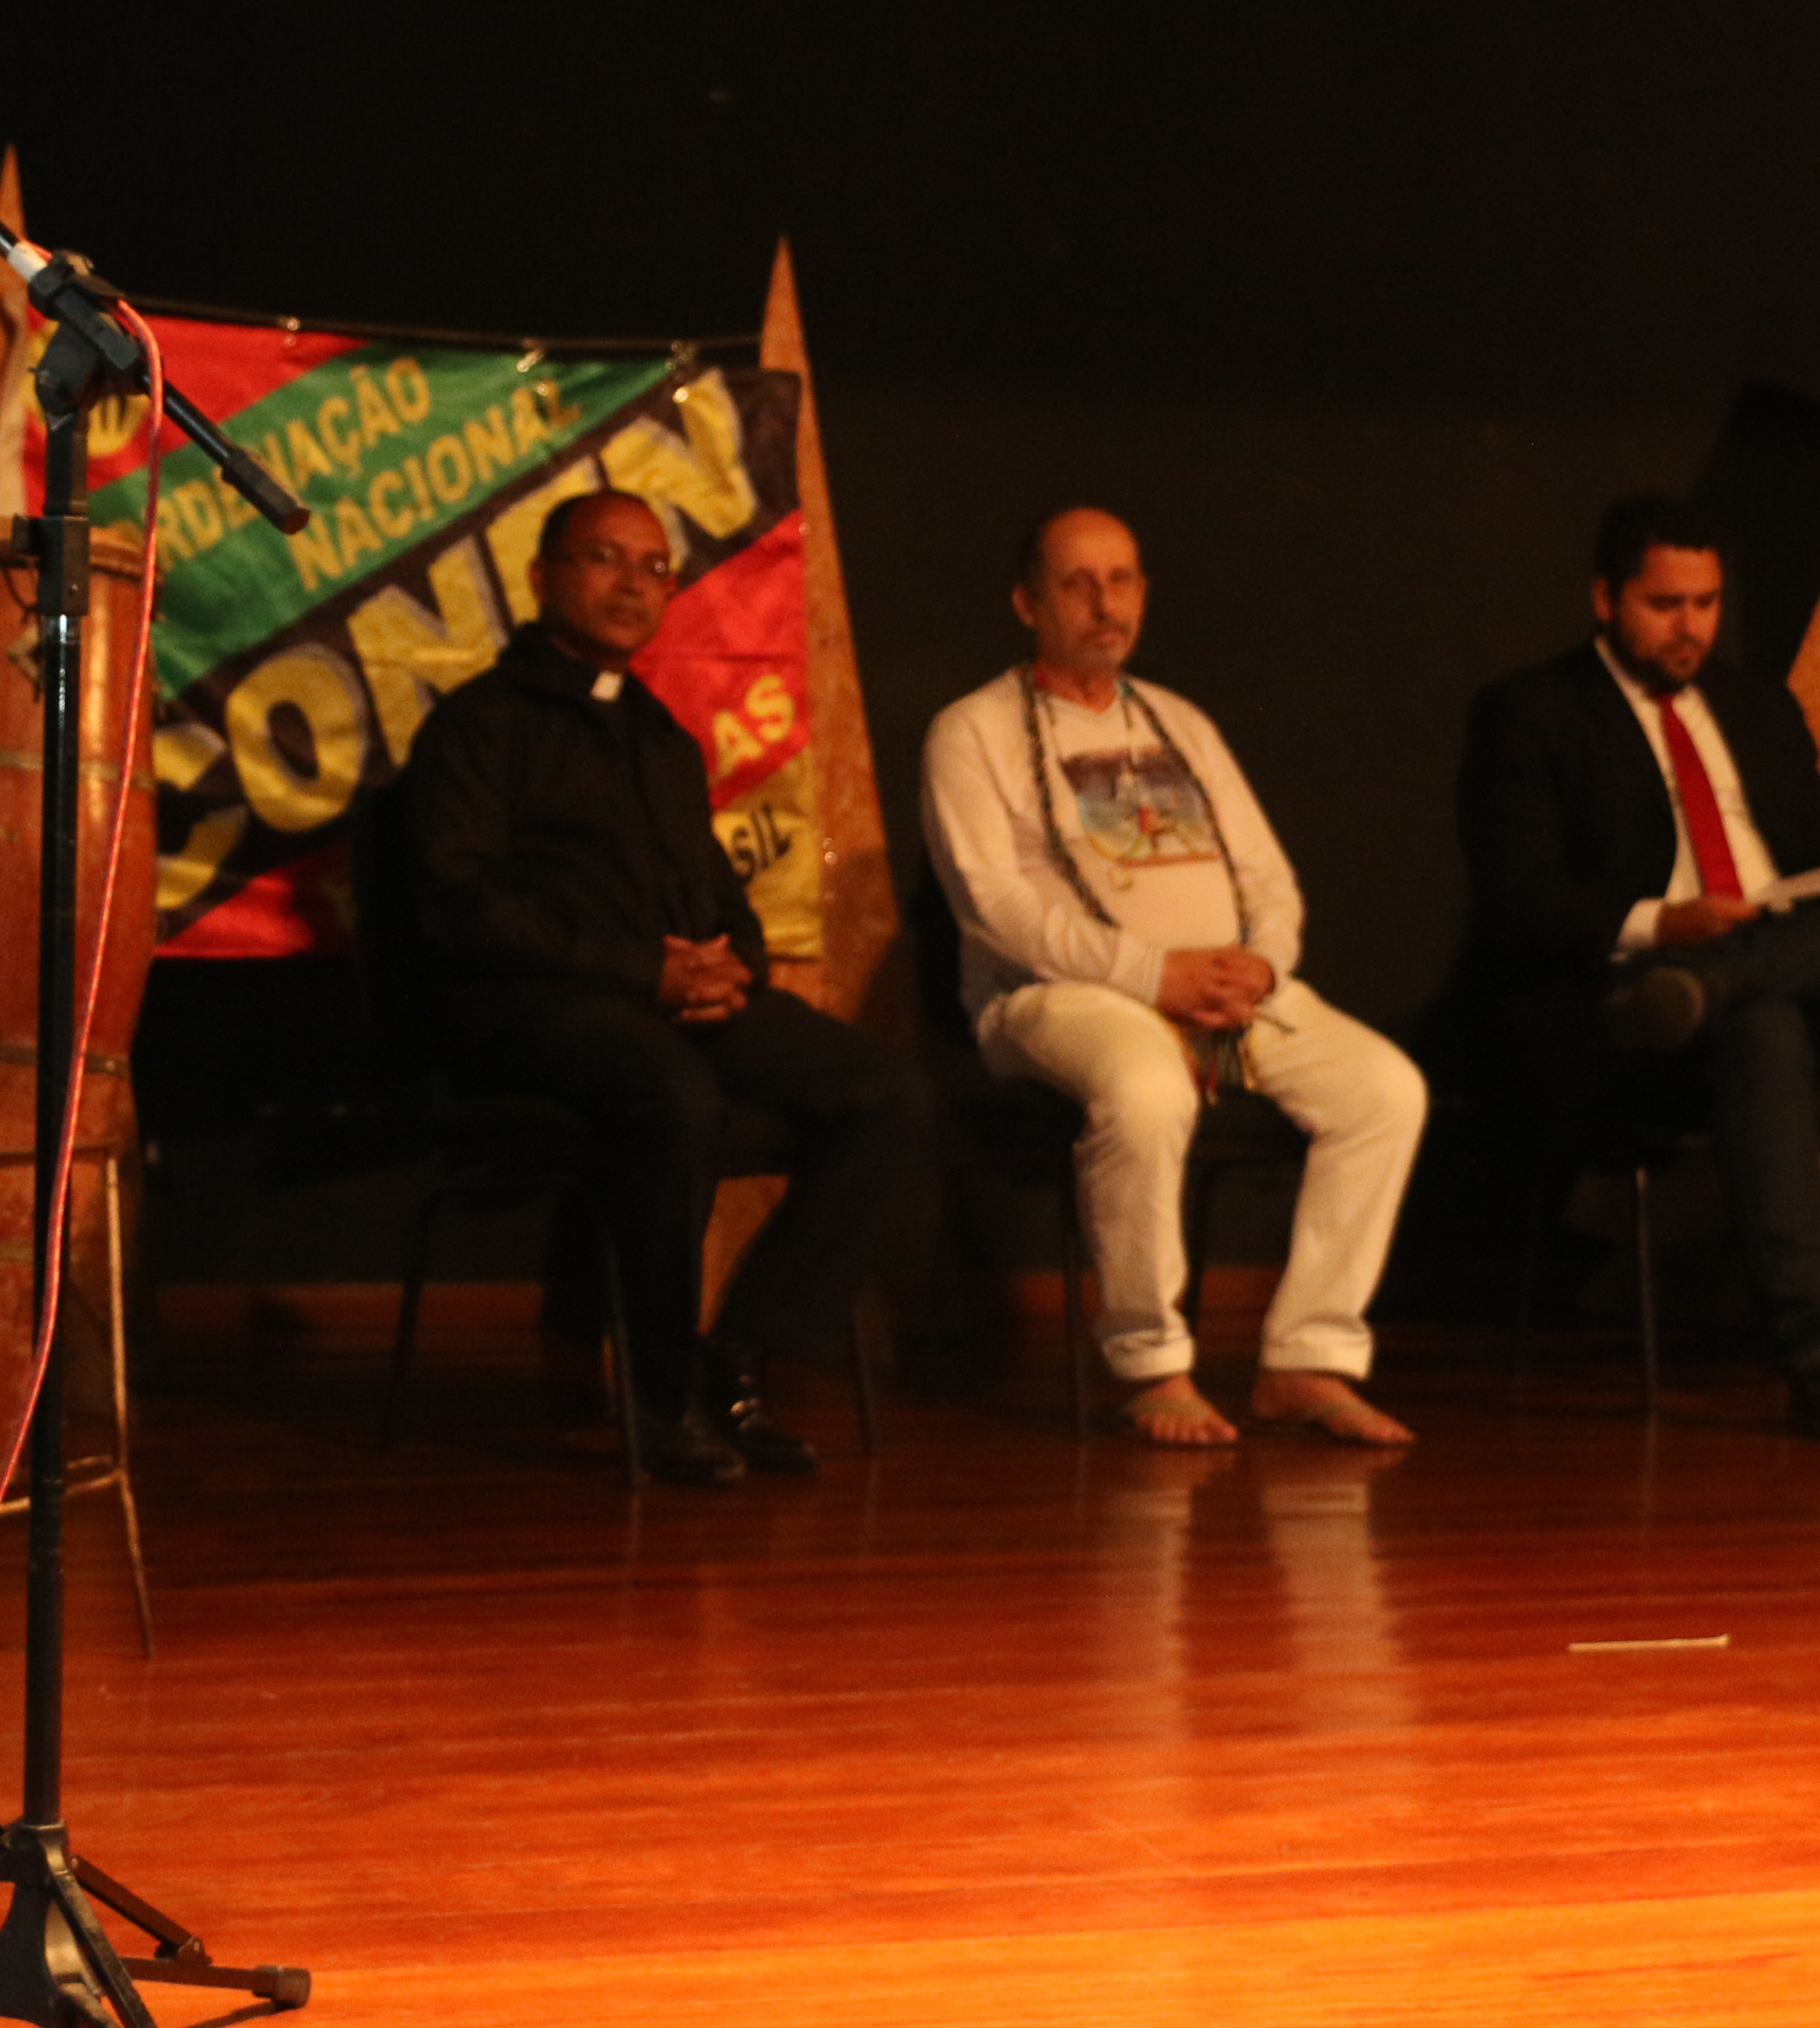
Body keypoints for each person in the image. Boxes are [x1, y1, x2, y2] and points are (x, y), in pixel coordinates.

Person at [395, 489, 931, 1486]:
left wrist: (735, 970)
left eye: (654, 568)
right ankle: (661, 1397)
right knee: (675, 1093)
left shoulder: (661, 739)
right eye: (605, 557)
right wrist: (648, 973)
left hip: (668, 1006)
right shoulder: (478, 728)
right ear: (542, 575)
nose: (633, 584)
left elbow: (718, 896)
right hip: (533, 1013)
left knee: (886, 1093)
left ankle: (739, 1356)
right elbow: (463, 908)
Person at [1446, 496, 1820, 1445]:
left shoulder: (1758, 707)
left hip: (1774, 971)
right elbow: (1519, 904)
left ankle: (1723, 980)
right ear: (1605, 599)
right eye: (1664, 605)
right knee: (1759, 1029)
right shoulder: (1530, 713)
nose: (1689, 627)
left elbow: (1810, 849)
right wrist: (1665, 924)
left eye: (1706, 603)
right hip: (1635, 1012)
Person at [921, 507, 1425, 1447]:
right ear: (1028, 603)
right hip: (1055, 997)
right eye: (1077, 584)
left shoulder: (1178, 721)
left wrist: (1260, 966)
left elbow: (1267, 877)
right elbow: (996, 908)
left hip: (1224, 993)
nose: (1104, 603)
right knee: (1148, 1089)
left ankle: (1306, 1357)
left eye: (1121, 581)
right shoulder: (971, 732)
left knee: (1384, 1090)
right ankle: (1151, 1364)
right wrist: (1153, 977)